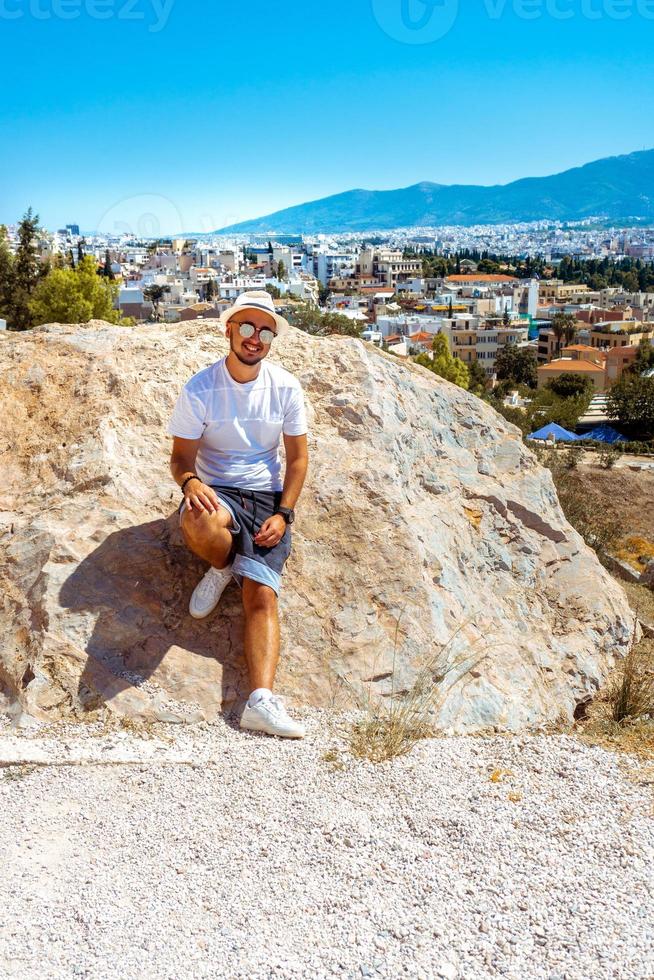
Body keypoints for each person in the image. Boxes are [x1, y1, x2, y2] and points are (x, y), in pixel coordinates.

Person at [167, 291, 309, 739]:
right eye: (246, 327)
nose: (255, 338)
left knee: (262, 597)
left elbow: (299, 459)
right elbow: (180, 458)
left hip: (266, 497)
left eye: (265, 331)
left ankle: (260, 702)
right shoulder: (201, 388)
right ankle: (224, 565)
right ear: (228, 330)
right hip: (219, 492)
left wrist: (285, 514)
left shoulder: (285, 387)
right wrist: (192, 484)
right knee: (197, 520)